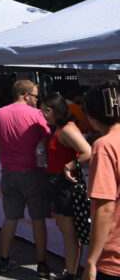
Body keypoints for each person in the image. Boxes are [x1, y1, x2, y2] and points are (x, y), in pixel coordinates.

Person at [0, 79, 52, 277]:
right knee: (38, 218)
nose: (36, 99)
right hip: (33, 172)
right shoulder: (37, 115)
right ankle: (42, 264)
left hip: (8, 172)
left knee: (10, 218)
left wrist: (6, 149)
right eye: (34, 96)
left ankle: (4, 260)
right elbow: (48, 139)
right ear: (26, 95)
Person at [40, 94, 92, 280]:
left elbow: (88, 152)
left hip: (65, 185)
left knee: (70, 233)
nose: (43, 114)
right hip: (58, 183)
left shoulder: (68, 130)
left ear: (58, 110)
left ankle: (71, 274)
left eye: (47, 110)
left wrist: (69, 165)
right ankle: (71, 271)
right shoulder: (61, 128)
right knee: (66, 230)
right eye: (42, 110)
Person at [77, 81, 120, 280]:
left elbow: (105, 207)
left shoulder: (104, 146)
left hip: (113, 258)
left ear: (92, 116)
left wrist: (91, 261)